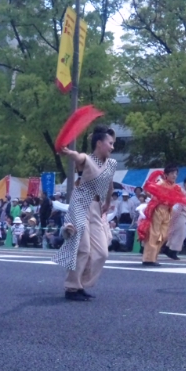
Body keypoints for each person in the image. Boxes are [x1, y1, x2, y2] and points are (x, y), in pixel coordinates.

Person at [53, 125, 117, 301]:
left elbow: (110, 185)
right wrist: (68, 152)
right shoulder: (87, 159)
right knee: (82, 248)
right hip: (80, 203)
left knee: (102, 252)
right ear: (99, 143)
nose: (112, 147)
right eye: (110, 143)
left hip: (97, 206)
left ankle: (80, 283)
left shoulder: (111, 164)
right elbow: (77, 156)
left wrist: (108, 202)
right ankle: (71, 287)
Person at [139, 164, 186, 266]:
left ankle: (153, 257)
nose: (174, 175)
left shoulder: (175, 187)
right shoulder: (161, 183)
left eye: (176, 174)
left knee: (164, 235)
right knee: (155, 233)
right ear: (166, 174)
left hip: (168, 211)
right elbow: (148, 189)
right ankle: (148, 259)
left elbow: (183, 197)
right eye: (172, 173)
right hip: (158, 209)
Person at [162, 174, 186, 260]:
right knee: (179, 232)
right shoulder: (180, 191)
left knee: (177, 232)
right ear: (185, 183)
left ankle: (168, 248)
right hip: (178, 212)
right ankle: (172, 251)